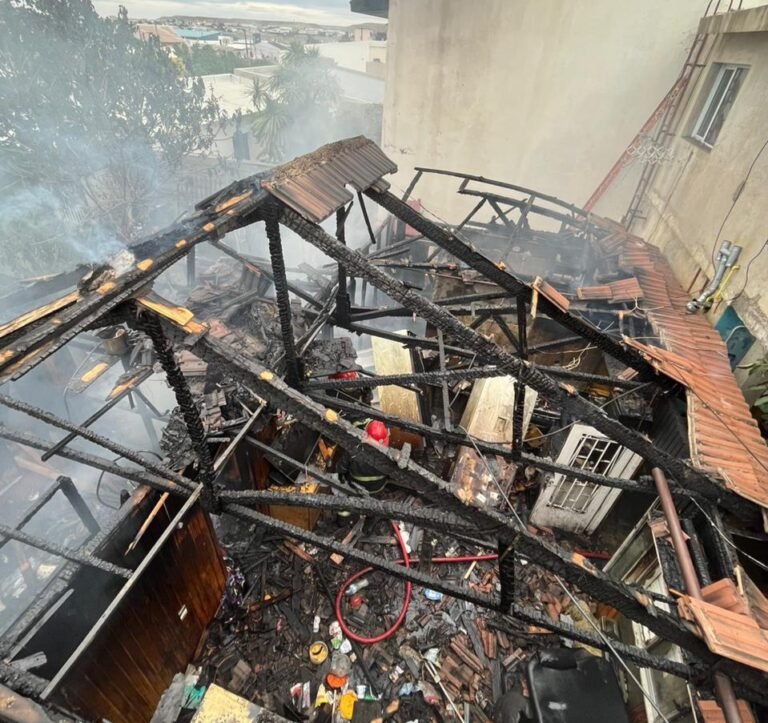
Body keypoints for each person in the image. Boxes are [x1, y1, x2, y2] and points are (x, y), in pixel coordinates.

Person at [337, 420, 390, 493]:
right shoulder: (388, 456)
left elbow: (341, 467)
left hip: (357, 487)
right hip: (379, 487)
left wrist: (340, 475)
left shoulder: (353, 450)